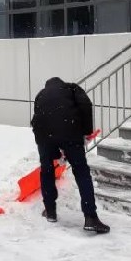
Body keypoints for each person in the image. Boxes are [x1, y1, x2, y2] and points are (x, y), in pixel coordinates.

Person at [30, 77, 109, 234]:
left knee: (46, 170)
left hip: (44, 136)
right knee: (81, 171)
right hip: (70, 132)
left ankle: (50, 211)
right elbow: (86, 105)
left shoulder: (41, 94)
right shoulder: (72, 89)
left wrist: (54, 154)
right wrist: (86, 132)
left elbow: (38, 120)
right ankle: (90, 217)